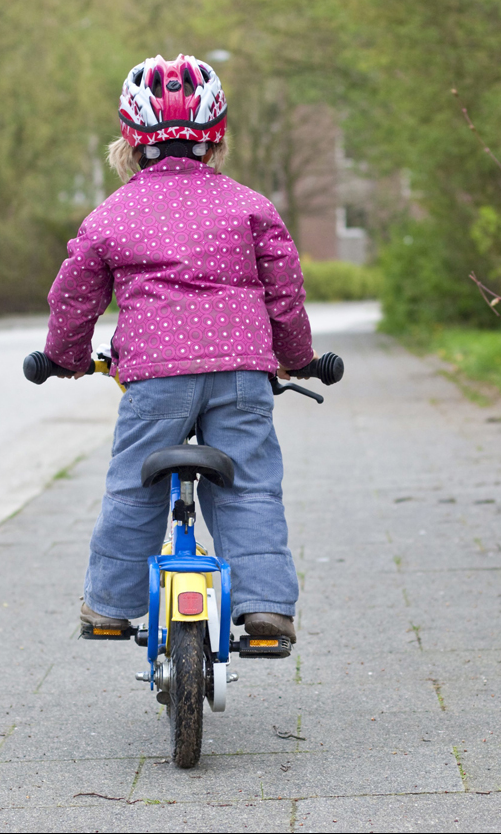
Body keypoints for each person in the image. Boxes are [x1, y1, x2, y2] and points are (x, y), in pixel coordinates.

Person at [43, 54, 314, 643]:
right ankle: (266, 607)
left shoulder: (112, 213)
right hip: (242, 375)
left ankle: (110, 607)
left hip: (155, 381)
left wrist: (66, 356)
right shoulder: (249, 205)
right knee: (248, 487)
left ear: (129, 139)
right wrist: (294, 355)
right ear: (215, 140)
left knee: (134, 486)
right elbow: (285, 292)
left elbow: (73, 297)